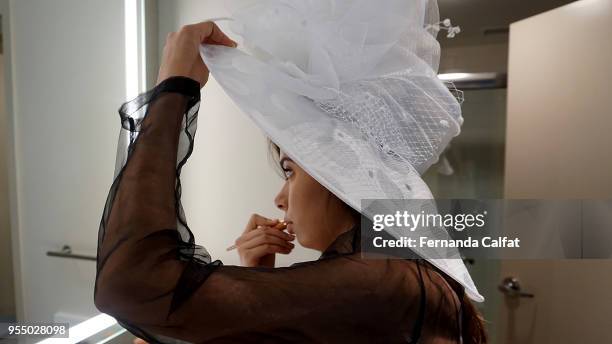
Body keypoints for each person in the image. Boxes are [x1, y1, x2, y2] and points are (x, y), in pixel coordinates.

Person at [94, 19, 487, 344]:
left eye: (290, 170)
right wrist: (259, 280)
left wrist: (173, 88)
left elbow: (132, 285)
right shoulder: (392, 272)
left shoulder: (380, 282)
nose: (280, 199)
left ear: (341, 172)